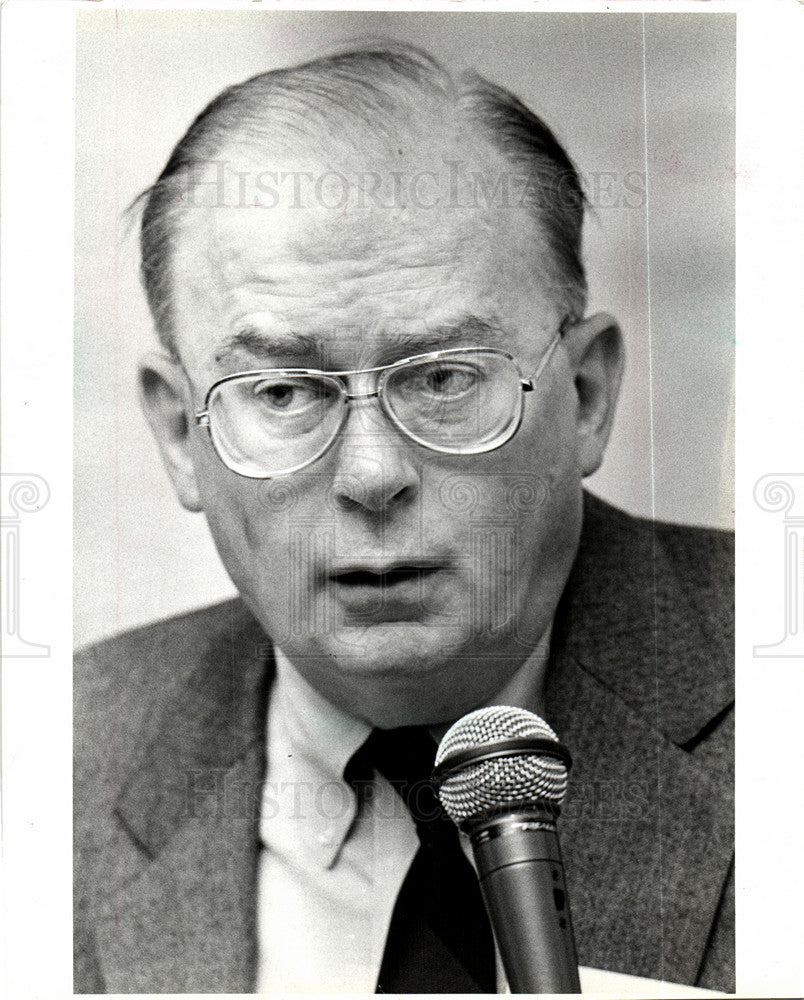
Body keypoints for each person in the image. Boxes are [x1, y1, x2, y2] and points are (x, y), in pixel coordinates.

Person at [74, 44, 733, 994]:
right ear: (181, 434)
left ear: (586, 396)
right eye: (286, 390)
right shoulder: (58, 760)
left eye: (445, 378)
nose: (372, 474)